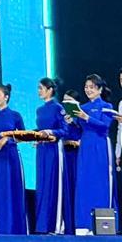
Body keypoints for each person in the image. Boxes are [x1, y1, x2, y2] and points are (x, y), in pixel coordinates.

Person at [69, 74, 117, 234]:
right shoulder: (82, 107)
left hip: (100, 146)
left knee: (100, 182)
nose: (88, 90)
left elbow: (105, 126)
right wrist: (71, 121)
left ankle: (103, 225)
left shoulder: (106, 106)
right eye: (86, 87)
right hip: (85, 148)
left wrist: (87, 118)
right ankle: (83, 224)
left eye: (92, 87)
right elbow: (77, 131)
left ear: (100, 89)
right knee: (84, 183)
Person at [0, 83, 27, 234]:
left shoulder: (15, 115)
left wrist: (7, 139)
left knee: (12, 191)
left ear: (6, 97)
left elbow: (23, 135)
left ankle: (15, 229)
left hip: (11, 156)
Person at [35, 77, 69, 234]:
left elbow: (64, 130)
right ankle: (42, 226)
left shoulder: (58, 108)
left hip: (54, 150)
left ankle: (55, 225)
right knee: (42, 185)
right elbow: (39, 129)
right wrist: (34, 137)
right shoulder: (39, 110)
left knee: (53, 184)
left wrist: (50, 132)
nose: (39, 91)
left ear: (50, 90)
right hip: (42, 150)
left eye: (41, 88)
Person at [62, 88, 83, 235]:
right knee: (66, 190)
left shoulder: (81, 119)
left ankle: (80, 226)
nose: (66, 104)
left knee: (77, 189)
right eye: (64, 101)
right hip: (65, 157)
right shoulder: (62, 119)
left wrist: (77, 142)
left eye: (69, 101)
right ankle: (67, 227)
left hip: (78, 158)